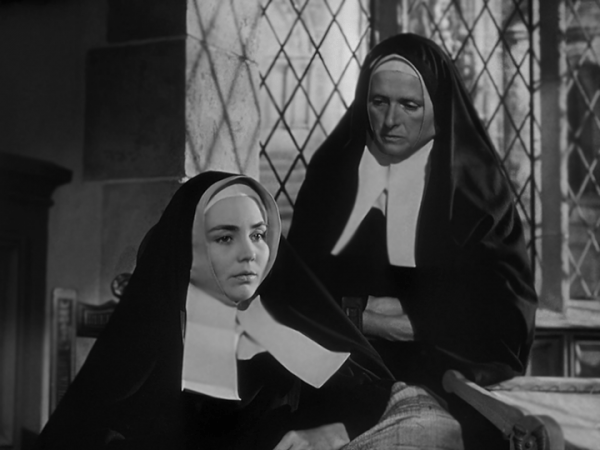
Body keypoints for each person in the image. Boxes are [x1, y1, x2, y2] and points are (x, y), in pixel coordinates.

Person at [284, 33, 538, 448]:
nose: (390, 120)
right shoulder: (331, 171)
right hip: (326, 381)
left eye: (409, 105)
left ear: (438, 106)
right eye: (378, 101)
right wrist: (374, 317)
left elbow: (506, 323)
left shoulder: (476, 188)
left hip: (439, 387)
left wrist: (376, 317)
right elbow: (294, 294)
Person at [34, 171, 396, 450]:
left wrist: (337, 430)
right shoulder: (147, 345)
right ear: (188, 251)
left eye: (258, 235)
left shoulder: (288, 331)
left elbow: (379, 399)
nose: (249, 253)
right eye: (225, 237)